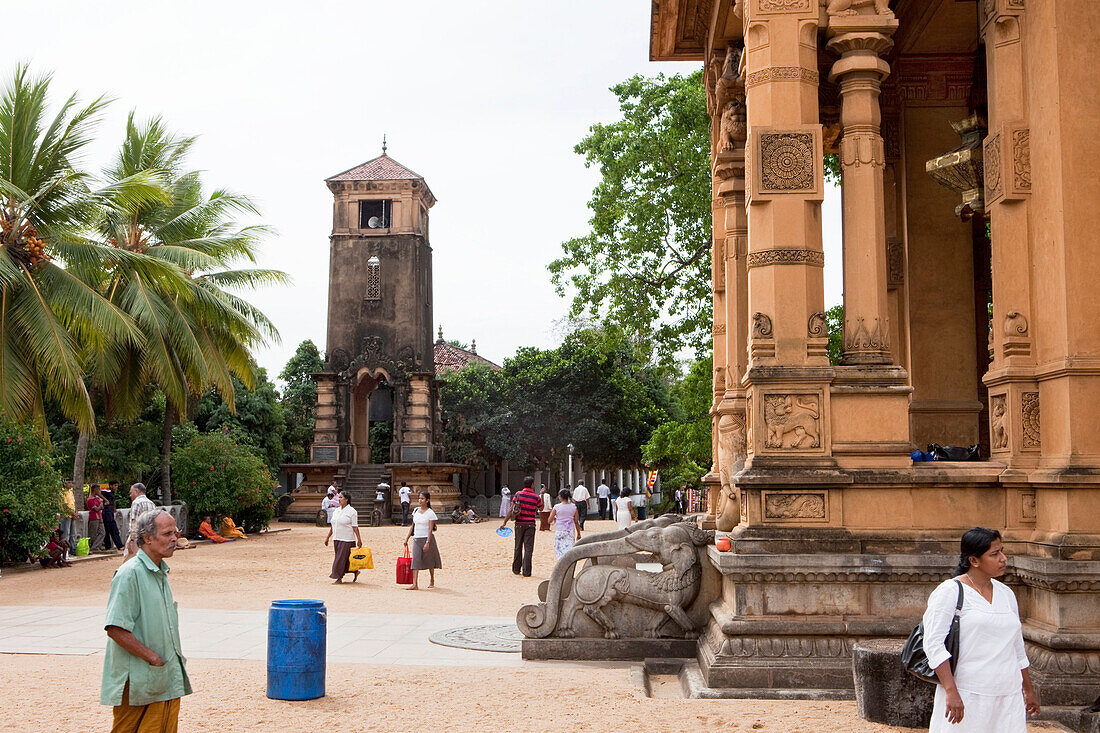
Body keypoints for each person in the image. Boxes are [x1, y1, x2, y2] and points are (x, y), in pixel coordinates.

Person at [921, 527, 1039, 732]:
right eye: (994, 554)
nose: (1003, 558)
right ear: (974, 560)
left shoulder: (1006, 594)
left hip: (1007, 695)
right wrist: (951, 691)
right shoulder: (950, 592)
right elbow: (933, 644)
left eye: (1002, 551)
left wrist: (1028, 690)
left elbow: (1017, 648)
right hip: (967, 693)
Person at [101, 510, 192, 731]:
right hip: (140, 679)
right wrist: (153, 658)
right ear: (148, 538)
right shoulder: (129, 574)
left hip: (161, 676)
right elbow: (115, 628)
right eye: (167, 533)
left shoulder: (159, 572)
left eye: (175, 533)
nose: (174, 539)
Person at [501, 476, 540, 577]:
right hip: (530, 524)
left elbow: (511, 509)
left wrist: (504, 522)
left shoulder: (518, 494)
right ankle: (527, 571)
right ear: (532, 484)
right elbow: (541, 507)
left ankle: (516, 569)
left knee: (518, 546)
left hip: (519, 524)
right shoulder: (536, 497)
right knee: (528, 548)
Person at [403, 491, 441, 590]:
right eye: (419, 498)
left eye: (422, 498)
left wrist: (427, 542)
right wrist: (406, 538)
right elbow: (413, 526)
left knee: (430, 560)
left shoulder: (430, 513)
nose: (420, 500)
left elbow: (430, 528)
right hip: (417, 538)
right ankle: (415, 583)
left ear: (427, 500)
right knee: (415, 560)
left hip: (426, 538)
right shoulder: (415, 511)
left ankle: (432, 579)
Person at [324, 491, 363, 584]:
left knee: (339, 559)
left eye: (341, 497)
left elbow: (355, 527)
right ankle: (355, 571)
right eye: (339, 497)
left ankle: (338, 577)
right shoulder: (336, 511)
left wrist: (359, 539)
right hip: (337, 537)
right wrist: (327, 537)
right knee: (345, 558)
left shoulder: (352, 512)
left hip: (347, 539)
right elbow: (333, 526)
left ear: (346, 499)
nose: (339, 499)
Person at [123, 483, 156, 562]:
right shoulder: (151, 503)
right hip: (149, 537)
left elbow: (134, 522)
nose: (130, 495)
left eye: (131, 493)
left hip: (137, 537)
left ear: (136, 491)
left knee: (128, 560)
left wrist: (131, 540)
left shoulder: (136, 503)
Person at [548, 488, 581, 559]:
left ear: (560, 497)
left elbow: (549, 520)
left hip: (560, 530)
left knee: (559, 549)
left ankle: (561, 564)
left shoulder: (556, 507)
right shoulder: (573, 507)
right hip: (570, 531)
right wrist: (578, 533)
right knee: (569, 549)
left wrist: (555, 518)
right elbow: (576, 522)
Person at [102, 481, 125, 552]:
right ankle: (109, 546)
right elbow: (98, 493)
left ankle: (118, 545)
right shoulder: (106, 491)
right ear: (111, 485)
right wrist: (105, 500)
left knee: (113, 529)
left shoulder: (111, 493)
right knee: (109, 529)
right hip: (106, 513)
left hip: (110, 512)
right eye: (115, 485)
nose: (116, 487)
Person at [59, 479, 79, 559]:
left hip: (72, 515)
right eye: (68, 482)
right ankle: (65, 551)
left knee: (72, 533)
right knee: (65, 534)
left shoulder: (70, 492)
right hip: (66, 515)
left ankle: (72, 550)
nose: (70, 484)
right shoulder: (62, 492)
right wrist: (71, 513)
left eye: (71, 482)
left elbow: (73, 503)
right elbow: (64, 505)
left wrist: (75, 512)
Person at [86, 484, 106, 552]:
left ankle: (96, 546)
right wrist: (100, 505)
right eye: (97, 489)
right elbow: (96, 509)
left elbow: (101, 506)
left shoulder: (97, 498)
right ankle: (94, 547)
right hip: (93, 517)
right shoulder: (90, 499)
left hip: (99, 517)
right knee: (93, 533)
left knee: (102, 532)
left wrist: (100, 505)